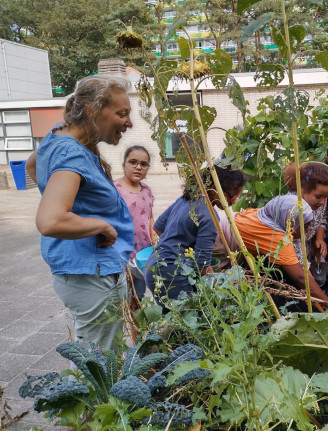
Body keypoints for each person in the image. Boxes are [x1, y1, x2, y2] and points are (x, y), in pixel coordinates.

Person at [32, 75, 134, 351]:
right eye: (121, 113)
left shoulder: (59, 133)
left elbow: (33, 166)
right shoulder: (71, 154)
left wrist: (67, 201)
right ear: (92, 112)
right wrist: (101, 225)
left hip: (83, 271)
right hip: (91, 275)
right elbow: (50, 220)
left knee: (99, 356)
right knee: (99, 365)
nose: (129, 122)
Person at [144, 165, 247, 305]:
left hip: (154, 266)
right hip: (173, 275)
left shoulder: (186, 200)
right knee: (185, 321)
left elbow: (158, 228)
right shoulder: (210, 216)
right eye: (231, 195)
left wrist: (179, 245)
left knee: (169, 319)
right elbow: (201, 264)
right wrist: (218, 282)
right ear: (213, 187)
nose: (234, 200)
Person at [234, 194, 328, 304]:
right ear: (290, 222)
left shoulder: (265, 214)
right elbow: (300, 278)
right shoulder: (277, 239)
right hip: (220, 245)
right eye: (304, 227)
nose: (306, 231)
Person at [114, 145, 155, 300]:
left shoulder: (146, 190)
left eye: (143, 164)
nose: (138, 167)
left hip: (142, 255)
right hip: (121, 255)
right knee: (122, 297)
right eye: (133, 162)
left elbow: (150, 218)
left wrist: (154, 242)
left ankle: (136, 324)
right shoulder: (114, 190)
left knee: (138, 295)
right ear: (124, 165)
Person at [283, 162, 328, 283]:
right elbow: (296, 248)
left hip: (304, 243)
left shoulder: (320, 198)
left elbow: (322, 218)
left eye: (326, 197)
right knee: (295, 278)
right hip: (288, 248)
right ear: (301, 190)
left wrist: (319, 238)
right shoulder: (293, 209)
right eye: (319, 197)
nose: (322, 201)